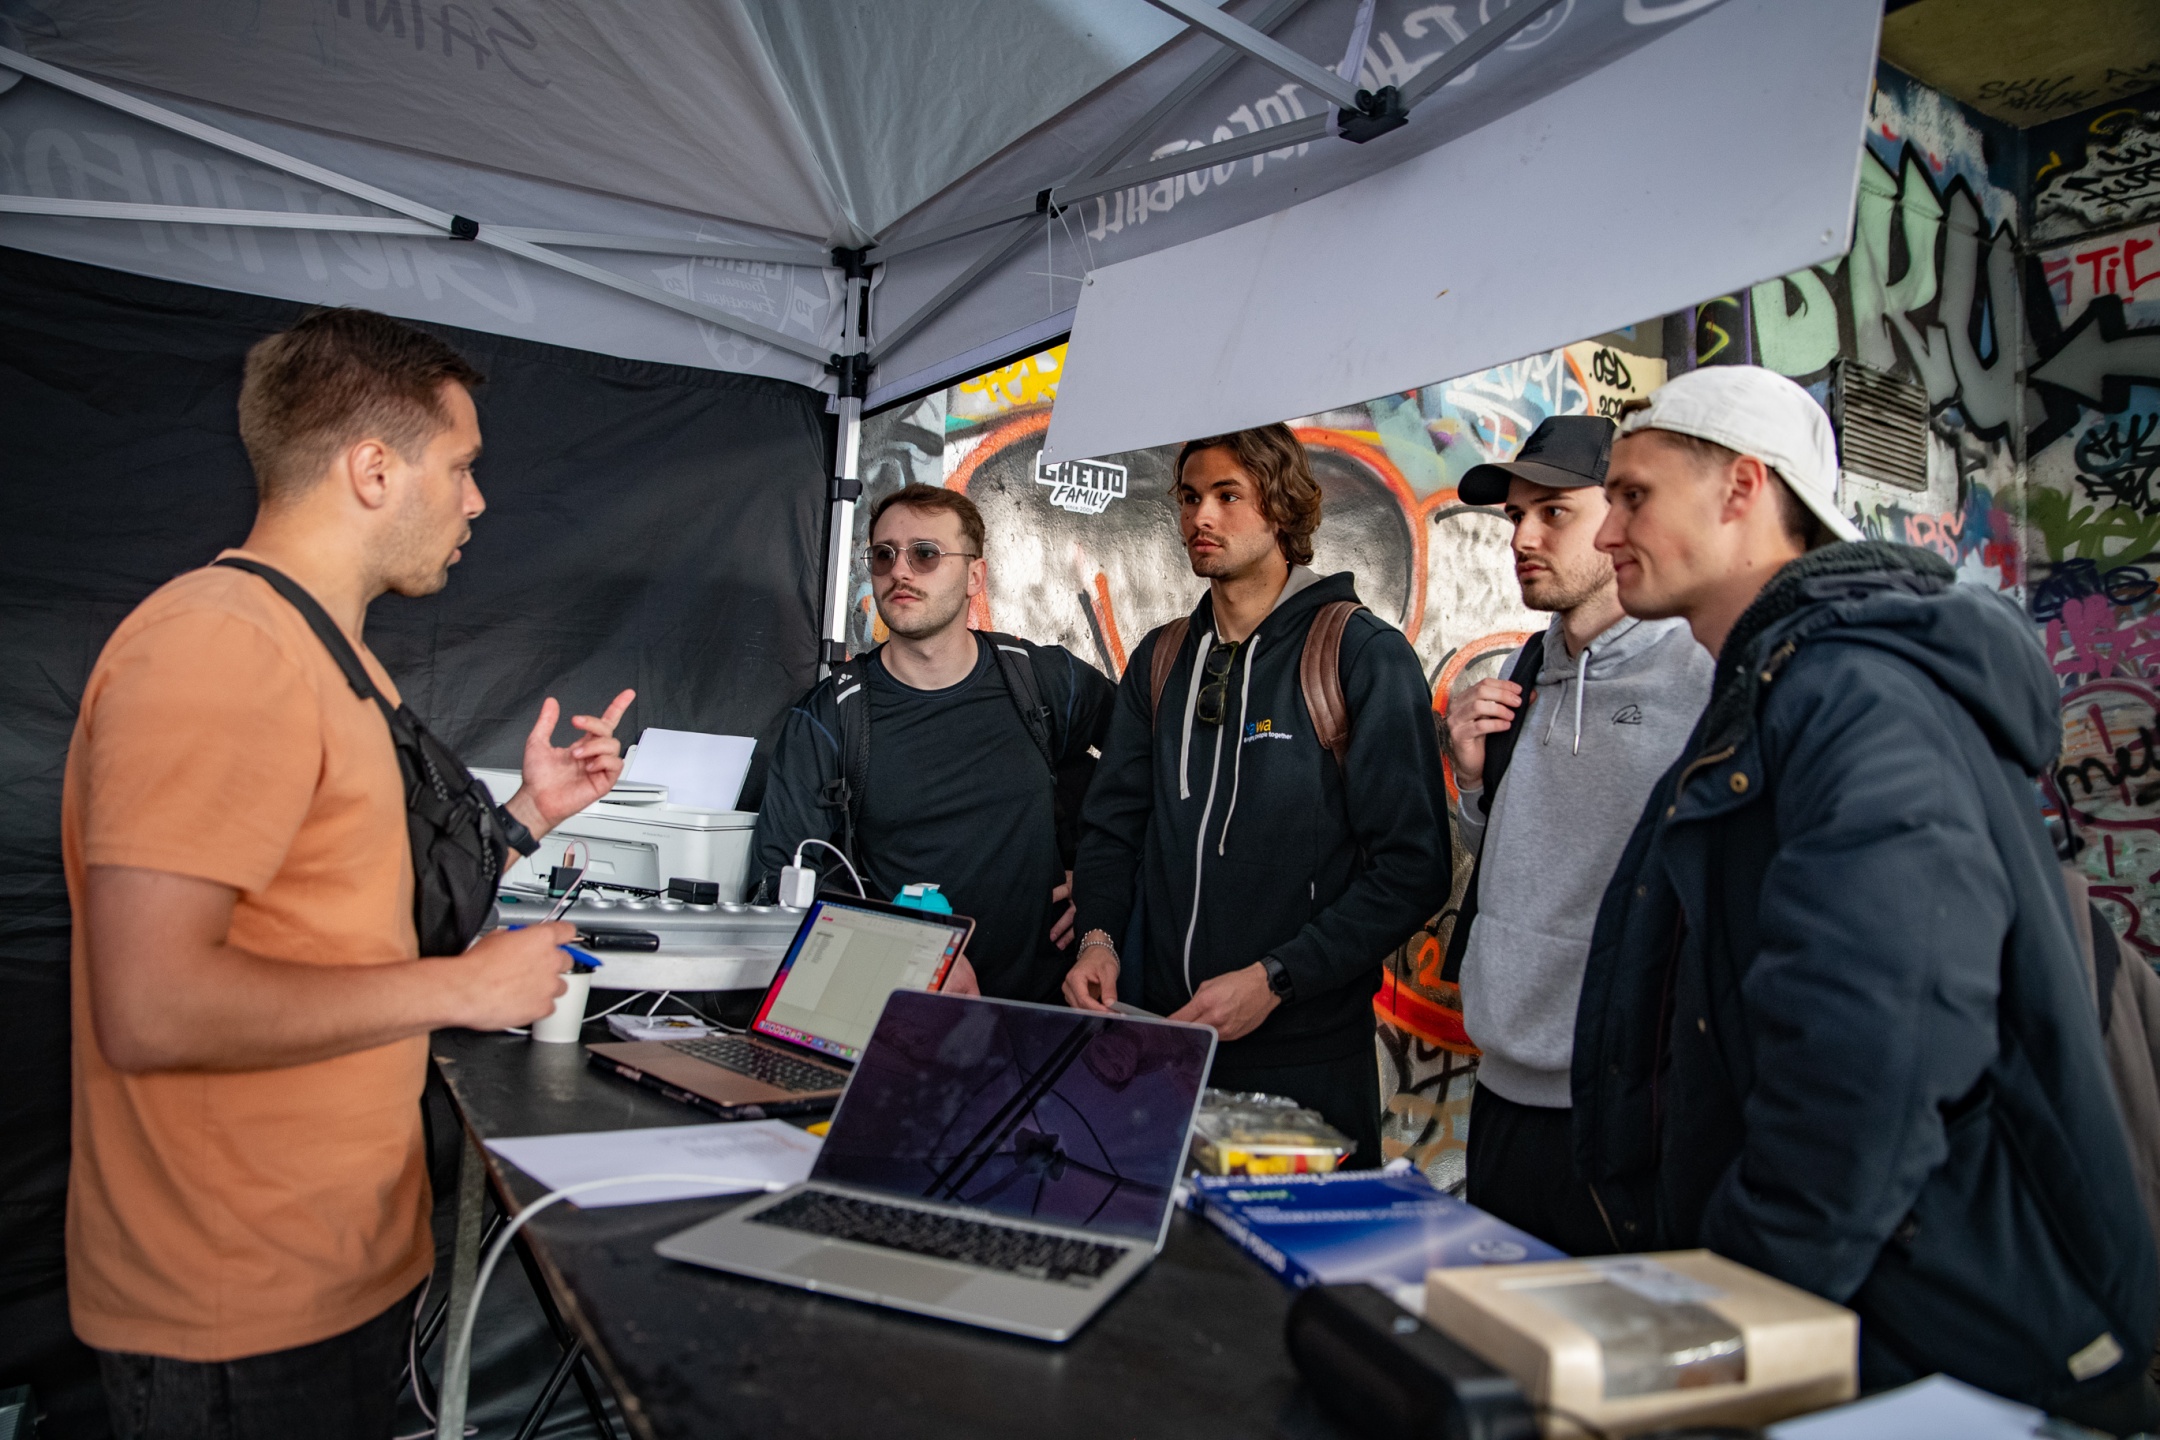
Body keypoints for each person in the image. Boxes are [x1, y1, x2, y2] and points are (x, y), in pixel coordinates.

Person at [64, 308, 634, 1439]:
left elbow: (354, 921)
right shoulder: (222, 648)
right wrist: (464, 990)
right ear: (373, 470)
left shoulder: (330, 657)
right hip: (236, 1311)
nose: (478, 501)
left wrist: (529, 815)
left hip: (331, 1275)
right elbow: (152, 1003)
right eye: (461, 466)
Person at [1571, 365, 2160, 1431]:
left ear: (1744, 486)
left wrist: (1745, 1301)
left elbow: (1877, 1048)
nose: (1608, 530)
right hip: (1862, 1322)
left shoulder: (1857, 693)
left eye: (1634, 495)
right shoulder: (1780, 688)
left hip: (1938, 1342)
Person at [1065, 424, 1451, 1167]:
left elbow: (1413, 869)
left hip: (1305, 1062)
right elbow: (1112, 828)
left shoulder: (1360, 654)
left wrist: (1278, 980)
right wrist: (1098, 938)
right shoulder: (1162, 658)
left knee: (1299, 1245)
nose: (1200, 517)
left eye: (1227, 495)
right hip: (1160, 1046)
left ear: (1280, 506)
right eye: (1189, 498)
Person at [1443, 414, 1712, 1255]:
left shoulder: (1698, 672)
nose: (1522, 537)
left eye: (1553, 512)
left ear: (1623, 516)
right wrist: (1472, 782)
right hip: (1501, 1085)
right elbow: (1510, 851)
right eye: (1516, 515)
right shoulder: (1523, 668)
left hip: (1628, 1101)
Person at [749, 484, 1114, 1003]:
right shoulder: (830, 717)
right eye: (884, 555)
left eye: (925, 554)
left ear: (975, 577)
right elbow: (779, 882)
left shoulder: (1043, 679)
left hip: (1044, 1016)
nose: (900, 571)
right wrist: (903, 954)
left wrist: (1101, 884)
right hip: (897, 1018)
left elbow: (1150, 767)